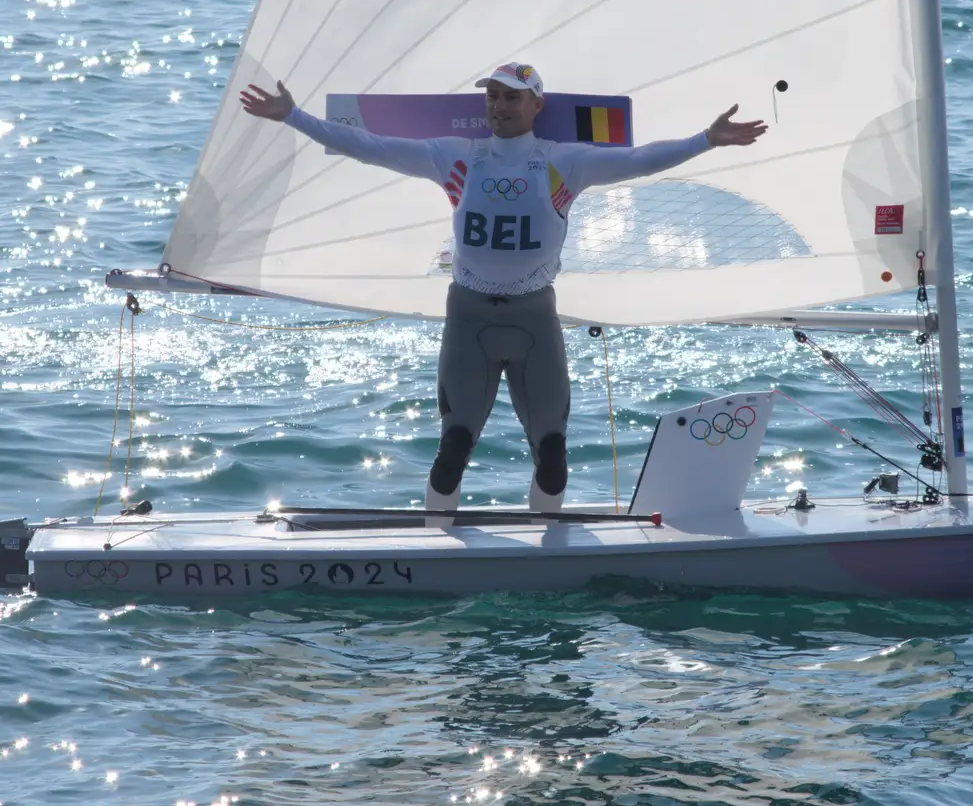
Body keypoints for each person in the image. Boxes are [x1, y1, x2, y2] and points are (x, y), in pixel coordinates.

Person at [239, 63, 767, 520]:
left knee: (554, 455)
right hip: (470, 318)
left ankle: (545, 552)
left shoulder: (564, 161)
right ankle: (435, 546)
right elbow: (370, 148)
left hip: (534, 320)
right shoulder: (457, 156)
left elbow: (640, 160)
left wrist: (707, 139)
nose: (499, 106)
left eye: (512, 97)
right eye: (492, 96)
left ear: (537, 105)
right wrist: (293, 115)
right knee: (453, 451)